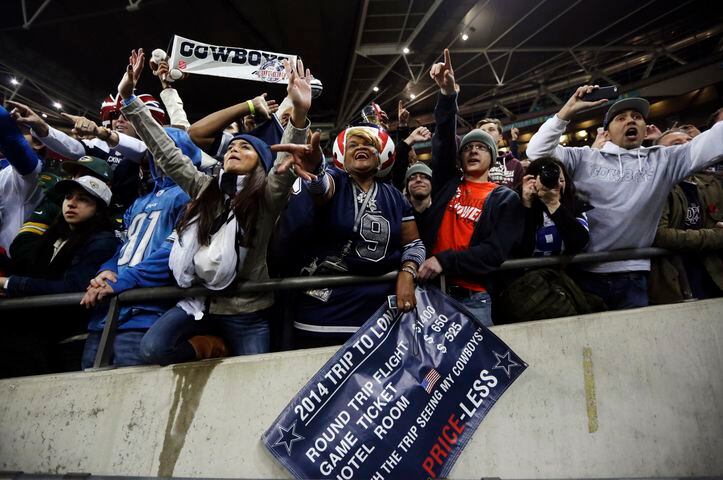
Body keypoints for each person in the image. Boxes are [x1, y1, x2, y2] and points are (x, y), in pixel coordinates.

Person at [114, 49, 315, 363]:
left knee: (254, 379)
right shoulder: (207, 188)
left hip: (246, 313)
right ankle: (209, 346)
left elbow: (286, 165)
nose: (234, 149)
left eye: (245, 147)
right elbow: (168, 153)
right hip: (199, 304)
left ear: (261, 163)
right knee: (153, 348)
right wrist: (129, 100)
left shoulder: (267, 198)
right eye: (232, 147)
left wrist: (299, 112)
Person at [526, 85, 723, 309]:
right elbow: (537, 153)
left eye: (637, 117)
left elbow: (714, 142)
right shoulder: (583, 158)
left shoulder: (664, 160)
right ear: (606, 133)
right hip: (584, 271)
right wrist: (567, 112)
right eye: (621, 118)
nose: (631, 121)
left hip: (633, 274)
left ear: (645, 128)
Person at [417, 49, 524, 327]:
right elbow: (442, 140)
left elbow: (495, 251)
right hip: (430, 294)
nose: (474, 151)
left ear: (492, 155)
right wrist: (447, 96)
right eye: (468, 148)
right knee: (430, 372)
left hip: (474, 299)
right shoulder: (447, 185)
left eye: (481, 147)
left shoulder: (504, 199)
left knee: (472, 371)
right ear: (460, 157)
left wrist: (445, 260)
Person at [292, 123, 423, 347]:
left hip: (377, 314)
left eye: (369, 145)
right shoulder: (335, 179)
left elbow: (414, 244)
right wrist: (315, 170)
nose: (360, 148)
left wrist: (407, 273)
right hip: (323, 313)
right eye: (353, 145)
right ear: (342, 155)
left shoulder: (394, 196)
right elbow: (322, 188)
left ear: (381, 155)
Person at [0, 176, 118, 377]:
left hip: (64, 333)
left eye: (83, 199)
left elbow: (72, 287)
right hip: (37, 326)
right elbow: (29, 269)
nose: (71, 203)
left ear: (98, 208)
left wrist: (9, 283)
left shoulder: (103, 241)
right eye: (68, 197)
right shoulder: (56, 234)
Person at [648, 128, 723, 303]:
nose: (688, 146)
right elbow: (659, 235)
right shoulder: (656, 188)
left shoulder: (712, 183)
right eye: (677, 144)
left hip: (714, 273)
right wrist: (716, 237)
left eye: (690, 140)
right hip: (677, 279)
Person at [0, 104, 42, 252]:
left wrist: (6, 123)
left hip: (12, 266)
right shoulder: (4, 168)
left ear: (38, 142)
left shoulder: (33, 171)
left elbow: (11, 140)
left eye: (18, 129)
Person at [476, 117, 524, 189]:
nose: (486, 132)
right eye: (483, 131)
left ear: (500, 137)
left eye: (491, 129)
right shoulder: (473, 164)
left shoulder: (515, 164)